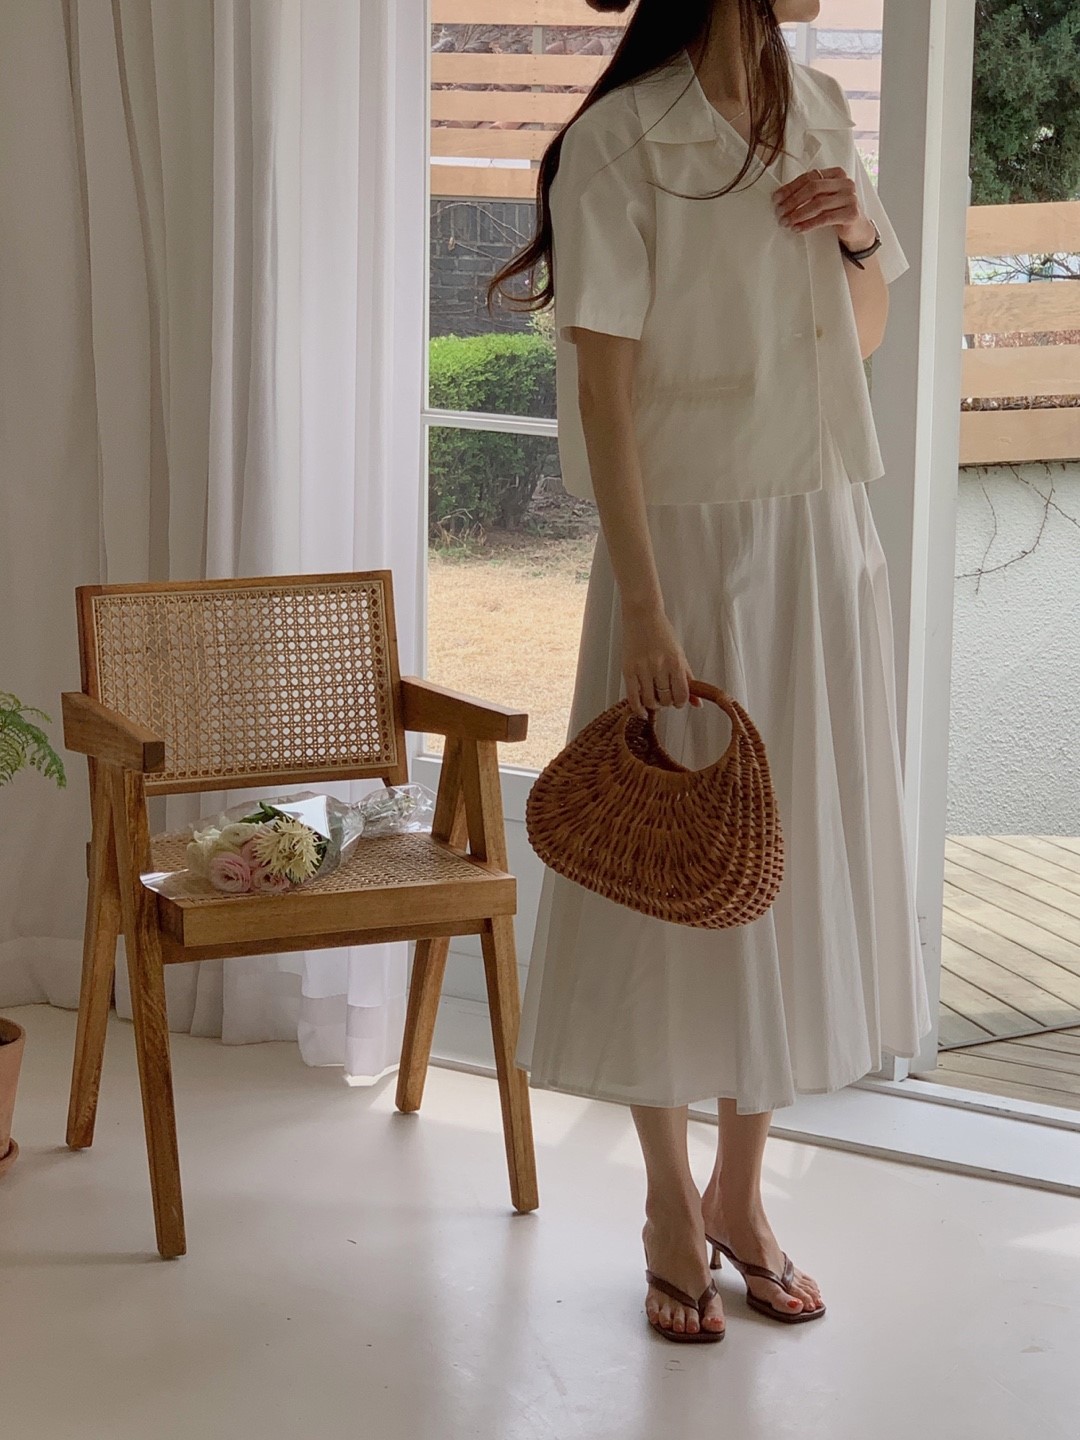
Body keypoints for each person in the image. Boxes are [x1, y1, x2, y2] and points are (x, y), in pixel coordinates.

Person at [487, 0, 933, 1344]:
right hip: (687, 547)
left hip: (819, 535)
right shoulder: (621, 141)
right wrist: (643, 608)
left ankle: (740, 1191)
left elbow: (858, 335)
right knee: (666, 869)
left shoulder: (820, 109)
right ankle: (666, 1202)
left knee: (780, 859)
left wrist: (856, 238)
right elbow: (605, 395)